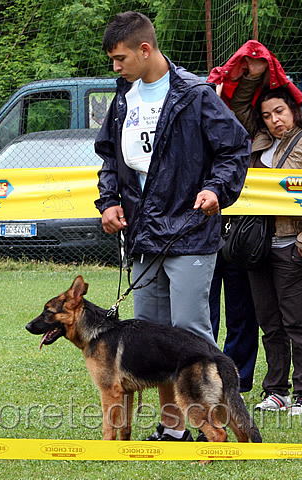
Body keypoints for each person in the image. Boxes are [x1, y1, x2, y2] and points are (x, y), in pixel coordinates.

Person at [94, 11, 251, 442]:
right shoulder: (123, 97)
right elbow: (111, 158)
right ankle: (172, 426)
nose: (116, 66)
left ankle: (210, 425)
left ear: (145, 50)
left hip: (189, 233)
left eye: (120, 57)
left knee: (191, 334)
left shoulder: (196, 94)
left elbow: (235, 150)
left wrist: (217, 188)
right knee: (150, 343)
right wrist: (108, 202)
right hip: (142, 235)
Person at [229, 57, 302, 415]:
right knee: (269, 324)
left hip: (292, 248)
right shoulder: (259, 140)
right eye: (268, 115)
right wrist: (254, 78)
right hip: (258, 248)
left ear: (294, 110)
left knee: (298, 323)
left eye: (280, 111)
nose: (274, 120)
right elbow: (240, 106)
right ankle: (276, 391)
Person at [209, 227, 259, 394]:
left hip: (241, 233)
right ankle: (205, 375)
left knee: (242, 314)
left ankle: (236, 381)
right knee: (202, 316)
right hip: (202, 236)